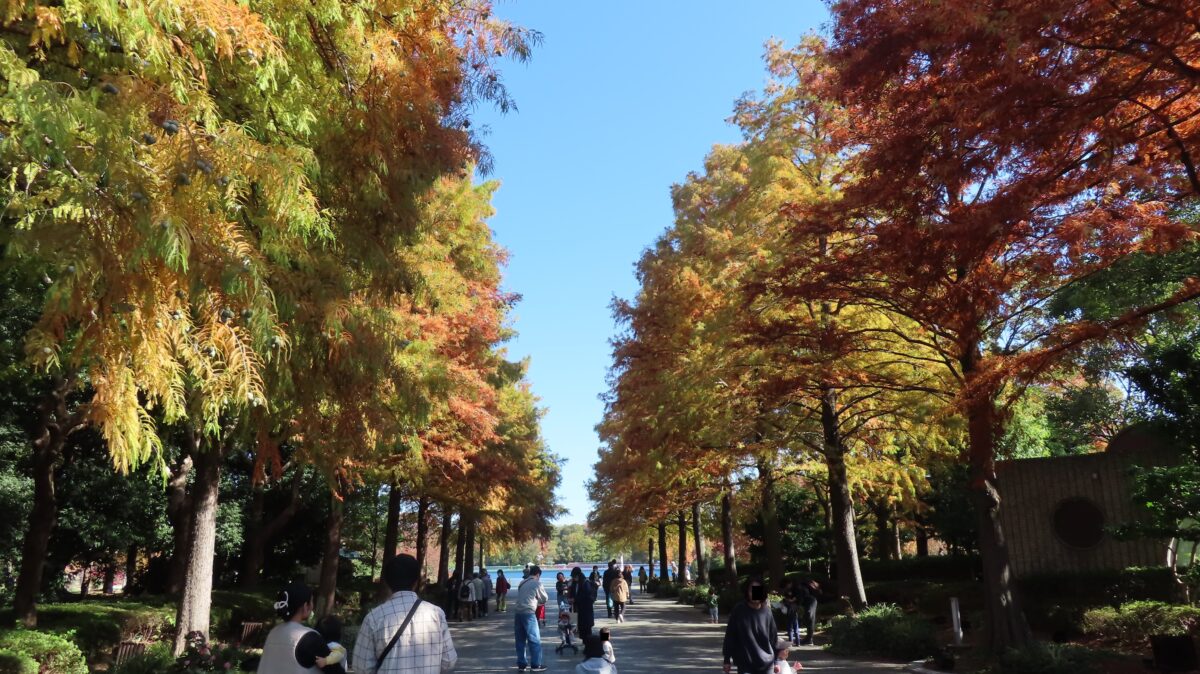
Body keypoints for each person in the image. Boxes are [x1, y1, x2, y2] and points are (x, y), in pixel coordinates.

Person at [353, 554, 456, 674]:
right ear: (416, 581)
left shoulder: (374, 618)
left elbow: (362, 667)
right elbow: (449, 662)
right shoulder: (436, 614)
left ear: (387, 581)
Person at [259, 581, 329, 673]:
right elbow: (335, 670)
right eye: (311, 601)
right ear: (305, 606)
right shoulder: (309, 637)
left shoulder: (273, 633)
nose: (312, 606)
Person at [723, 576, 777, 674]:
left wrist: (776, 661)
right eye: (752, 590)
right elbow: (730, 635)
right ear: (747, 592)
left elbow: (773, 638)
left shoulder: (767, 612)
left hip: (767, 663)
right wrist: (727, 659)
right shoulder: (739, 610)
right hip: (745, 663)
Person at [514, 564, 549, 672]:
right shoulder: (537, 583)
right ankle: (535, 665)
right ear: (538, 574)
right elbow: (544, 598)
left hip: (518, 613)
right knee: (534, 639)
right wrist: (537, 600)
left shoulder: (522, 582)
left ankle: (521, 664)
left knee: (520, 640)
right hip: (528, 613)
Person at [572, 566, 598, 638]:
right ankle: (584, 643)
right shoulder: (575, 583)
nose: (573, 578)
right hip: (578, 609)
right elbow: (574, 593)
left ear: (578, 575)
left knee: (587, 629)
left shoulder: (585, 583)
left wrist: (576, 599)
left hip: (586, 609)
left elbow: (587, 595)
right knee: (581, 628)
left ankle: (588, 645)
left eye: (574, 576)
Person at [796, 580, 819, 646]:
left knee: (809, 619)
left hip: (810, 602)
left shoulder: (800, 588)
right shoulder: (804, 587)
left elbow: (801, 598)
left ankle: (809, 639)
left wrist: (798, 604)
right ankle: (809, 639)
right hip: (811, 601)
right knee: (810, 619)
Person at [780, 579, 800, 646]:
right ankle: (797, 642)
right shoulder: (792, 590)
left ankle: (792, 642)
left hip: (790, 611)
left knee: (790, 628)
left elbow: (788, 600)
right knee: (795, 628)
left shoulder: (793, 590)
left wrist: (788, 600)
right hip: (794, 610)